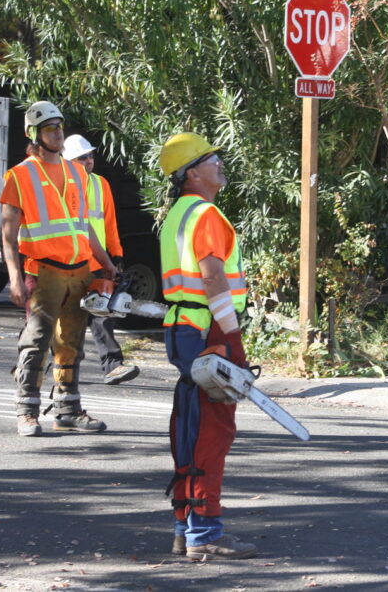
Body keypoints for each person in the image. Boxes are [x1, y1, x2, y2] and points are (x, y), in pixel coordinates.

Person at [157, 132, 254, 561]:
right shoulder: (206, 215)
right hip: (205, 329)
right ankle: (204, 533)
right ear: (192, 172)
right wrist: (231, 341)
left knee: (191, 427)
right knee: (212, 431)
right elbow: (214, 279)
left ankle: (186, 527)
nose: (220, 164)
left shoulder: (178, 213)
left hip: (183, 327)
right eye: (212, 159)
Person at [0, 101, 119, 437]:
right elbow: (8, 238)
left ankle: (68, 409)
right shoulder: (19, 176)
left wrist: (106, 263)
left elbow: (83, 226)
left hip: (80, 268)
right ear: (34, 134)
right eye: (50, 128)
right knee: (36, 340)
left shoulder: (76, 172)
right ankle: (26, 411)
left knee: (72, 343)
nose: (57, 133)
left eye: (59, 126)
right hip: (45, 270)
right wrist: (14, 279)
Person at [61, 134, 140, 386]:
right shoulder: (59, 186)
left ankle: (113, 366)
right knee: (59, 319)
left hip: (97, 263)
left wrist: (116, 256)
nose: (89, 160)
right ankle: (46, 366)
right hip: (68, 263)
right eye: (82, 157)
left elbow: (109, 225)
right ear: (68, 161)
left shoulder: (100, 184)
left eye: (91, 156)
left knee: (102, 315)